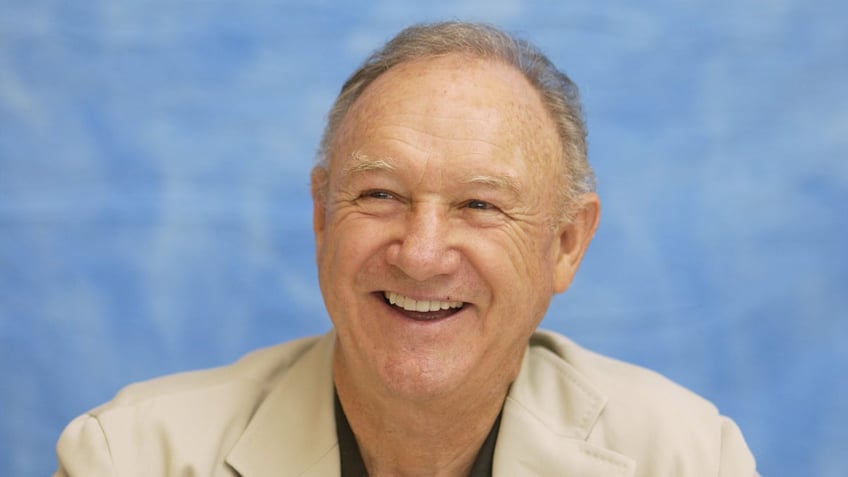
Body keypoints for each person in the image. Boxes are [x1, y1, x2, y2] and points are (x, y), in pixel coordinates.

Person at [54, 21, 758, 476]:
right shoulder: (128, 456)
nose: (420, 255)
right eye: (381, 195)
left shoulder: (688, 456)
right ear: (323, 216)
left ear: (567, 243)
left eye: (479, 205)